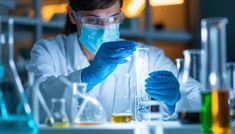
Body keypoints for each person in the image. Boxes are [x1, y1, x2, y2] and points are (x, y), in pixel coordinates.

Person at [27, 0, 200, 122]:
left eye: (113, 18)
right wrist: (88, 76)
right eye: (93, 20)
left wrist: (175, 99)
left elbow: (199, 98)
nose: (104, 28)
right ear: (73, 16)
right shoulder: (49, 51)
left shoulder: (147, 57)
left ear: (121, 15)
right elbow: (34, 105)